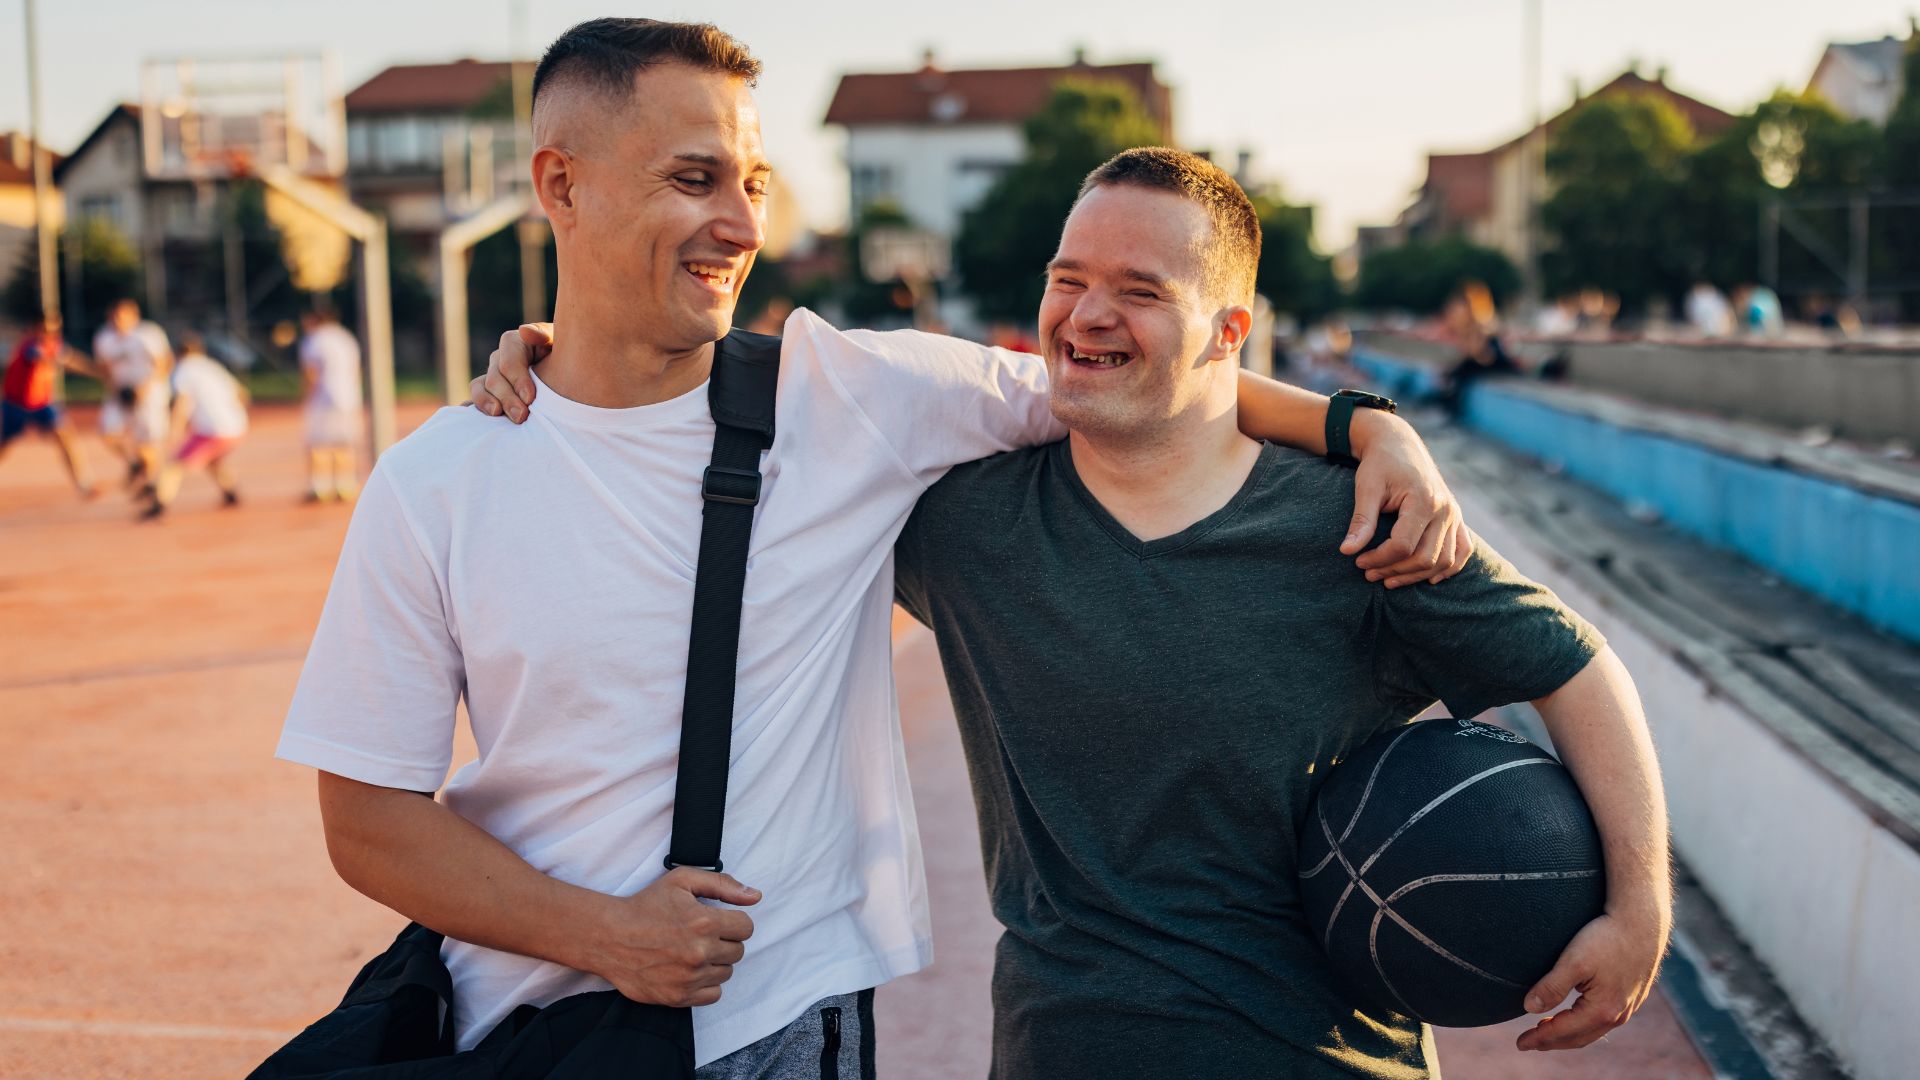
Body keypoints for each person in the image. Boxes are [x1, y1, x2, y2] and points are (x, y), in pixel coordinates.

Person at [278, 19, 1470, 1079]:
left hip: (775, 1018)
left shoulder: (854, 396)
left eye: (754, 181)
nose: (744, 224)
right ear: (560, 184)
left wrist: (1368, 426)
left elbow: (1142, 381)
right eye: (694, 179)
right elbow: (367, 818)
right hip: (515, 1023)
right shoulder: (439, 478)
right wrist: (607, 935)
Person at [480, 146, 1672, 1079]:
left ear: (1229, 331)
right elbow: (720, 405)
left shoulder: (1355, 523)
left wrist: (1641, 907)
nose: (1088, 314)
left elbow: (1572, 668)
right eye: (1069, 280)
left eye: (1139, 291)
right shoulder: (961, 521)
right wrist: (566, 356)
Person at [140, 332, 248, 520]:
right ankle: (230, 492)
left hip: (213, 431)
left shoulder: (183, 370)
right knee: (213, 459)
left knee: (174, 465)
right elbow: (242, 394)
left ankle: (159, 504)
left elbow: (182, 403)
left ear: (176, 353)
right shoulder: (211, 366)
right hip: (237, 426)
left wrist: (174, 431)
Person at [1, 314, 99, 497]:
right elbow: (45, 358)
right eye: (46, 329)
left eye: (55, 329)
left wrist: (95, 371)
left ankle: (84, 483)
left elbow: (72, 359)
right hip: (16, 404)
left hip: (42, 403)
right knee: (3, 447)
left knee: (66, 438)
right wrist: (60, 359)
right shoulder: (29, 345)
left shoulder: (54, 344)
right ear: (35, 328)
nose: (50, 333)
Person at [91, 298, 173, 492]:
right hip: (121, 393)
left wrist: (143, 389)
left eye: (121, 316)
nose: (117, 321)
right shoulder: (104, 338)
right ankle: (134, 463)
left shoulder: (147, 334)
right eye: (114, 317)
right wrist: (116, 389)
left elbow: (164, 363)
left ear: (134, 316)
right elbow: (104, 369)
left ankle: (150, 483)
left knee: (147, 442)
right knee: (108, 433)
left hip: (150, 395)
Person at [297, 306, 364, 502]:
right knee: (344, 442)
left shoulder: (315, 339)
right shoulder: (346, 338)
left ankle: (319, 486)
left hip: (323, 397)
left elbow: (311, 372)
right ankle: (346, 484)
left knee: (318, 443)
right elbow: (356, 369)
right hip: (349, 397)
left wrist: (306, 396)